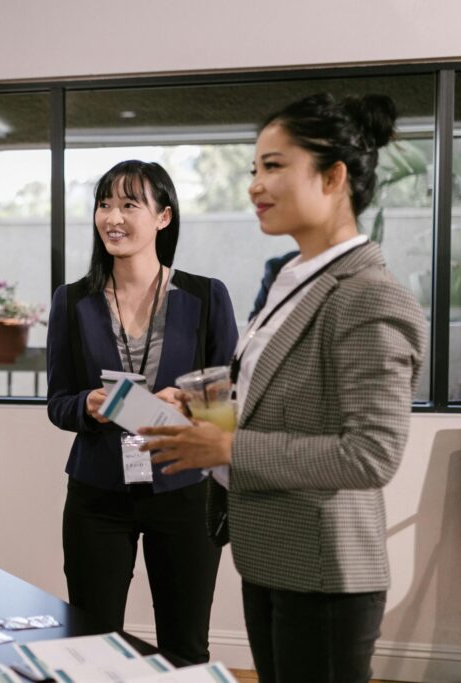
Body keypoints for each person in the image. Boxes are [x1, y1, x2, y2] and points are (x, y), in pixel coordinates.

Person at [140, 93, 426, 682]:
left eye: (274, 166)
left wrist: (228, 449)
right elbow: (279, 392)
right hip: (271, 554)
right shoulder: (293, 279)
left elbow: (371, 454)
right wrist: (204, 403)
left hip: (325, 571)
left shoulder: (368, 294)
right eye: (253, 169)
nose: (254, 185)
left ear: (334, 176)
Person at [46, 160, 238, 664]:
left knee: (185, 644)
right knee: (89, 642)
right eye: (104, 204)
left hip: (185, 491)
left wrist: (189, 401)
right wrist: (86, 406)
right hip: (97, 494)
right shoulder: (72, 302)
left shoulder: (205, 295)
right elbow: (58, 400)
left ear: (163, 217)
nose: (113, 217)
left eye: (130, 204)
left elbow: (228, 403)